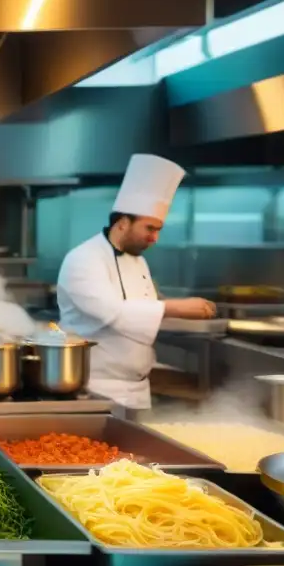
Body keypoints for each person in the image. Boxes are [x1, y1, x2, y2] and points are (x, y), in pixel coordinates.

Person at [57, 153, 216, 411]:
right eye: (150, 228)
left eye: (158, 230)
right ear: (122, 223)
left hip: (139, 389)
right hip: (97, 389)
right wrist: (175, 307)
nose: (155, 238)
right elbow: (110, 311)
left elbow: (138, 305)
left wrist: (165, 304)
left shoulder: (138, 260)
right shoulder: (83, 259)